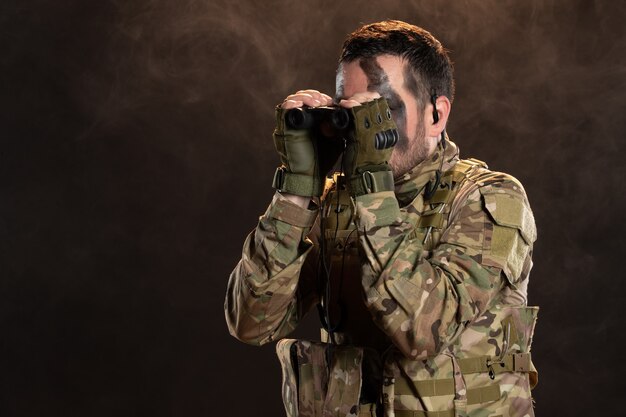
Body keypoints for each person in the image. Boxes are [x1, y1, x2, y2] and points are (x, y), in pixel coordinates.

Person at [225, 20, 538, 417]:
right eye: (349, 112)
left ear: (436, 114)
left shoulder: (488, 198)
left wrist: (371, 186)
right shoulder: (334, 202)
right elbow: (251, 323)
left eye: (380, 110)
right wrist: (298, 189)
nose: (361, 130)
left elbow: (422, 331)